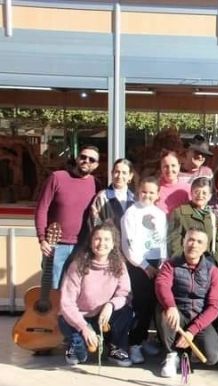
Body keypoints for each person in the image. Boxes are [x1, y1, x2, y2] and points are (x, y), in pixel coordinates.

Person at [58, 223, 134, 367]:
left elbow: (125, 293)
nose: (102, 243)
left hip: (103, 317)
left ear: (113, 244)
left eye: (106, 240)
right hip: (80, 317)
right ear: (91, 242)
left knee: (126, 311)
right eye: (97, 239)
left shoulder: (119, 265)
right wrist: (83, 327)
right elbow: (66, 303)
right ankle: (75, 344)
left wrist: (111, 305)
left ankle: (116, 348)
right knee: (79, 354)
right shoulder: (78, 265)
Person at [155, 227, 218, 378]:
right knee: (164, 310)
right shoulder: (170, 265)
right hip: (177, 312)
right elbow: (162, 285)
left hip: (199, 317)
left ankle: (189, 351)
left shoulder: (213, 271)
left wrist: (192, 331)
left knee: (212, 358)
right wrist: (171, 306)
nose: (194, 245)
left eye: (199, 242)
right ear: (183, 242)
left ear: (205, 247)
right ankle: (171, 355)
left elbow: (214, 306)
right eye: (190, 240)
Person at [35, 145, 102, 289]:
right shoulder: (57, 177)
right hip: (55, 244)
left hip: (82, 246)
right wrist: (42, 238)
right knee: (52, 289)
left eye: (91, 159)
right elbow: (41, 208)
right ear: (77, 158)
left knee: (76, 289)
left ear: (96, 165)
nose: (86, 161)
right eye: (83, 157)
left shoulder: (96, 185)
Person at [120, 176, 167, 364]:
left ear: (157, 194)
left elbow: (162, 241)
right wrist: (145, 266)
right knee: (140, 306)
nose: (147, 195)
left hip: (157, 263)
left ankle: (144, 338)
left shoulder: (160, 214)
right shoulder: (131, 214)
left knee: (152, 307)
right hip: (139, 265)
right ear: (138, 191)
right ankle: (134, 344)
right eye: (144, 192)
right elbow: (128, 245)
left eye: (151, 192)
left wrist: (163, 263)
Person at [168, 177, 218, 266]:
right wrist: (181, 262)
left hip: (207, 264)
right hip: (185, 264)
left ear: (210, 196)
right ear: (191, 193)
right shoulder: (179, 213)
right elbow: (174, 241)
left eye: (204, 193)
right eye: (197, 192)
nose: (200, 196)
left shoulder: (213, 217)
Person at [89, 158, 135, 232]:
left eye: (124, 173)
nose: (119, 176)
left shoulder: (134, 198)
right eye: (117, 172)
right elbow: (94, 225)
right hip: (109, 242)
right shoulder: (102, 197)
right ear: (112, 173)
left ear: (130, 176)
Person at [157, 150, 191, 215]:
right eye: (166, 166)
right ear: (161, 167)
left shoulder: (187, 189)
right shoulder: (154, 187)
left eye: (173, 165)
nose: (170, 169)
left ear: (179, 166)